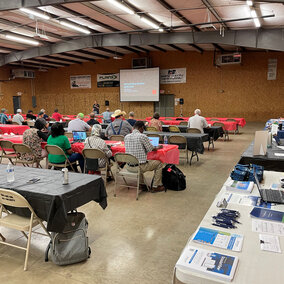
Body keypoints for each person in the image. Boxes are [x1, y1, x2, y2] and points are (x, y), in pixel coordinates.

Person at [124, 121, 165, 192]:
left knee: (138, 161)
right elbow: (151, 149)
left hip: (128, 166)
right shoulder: (143, 136)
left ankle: (141, 184)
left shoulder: (126, 137)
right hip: (139, 167)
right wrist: (159, 147)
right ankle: (156, 186)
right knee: (159, 163)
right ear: (142, 128)